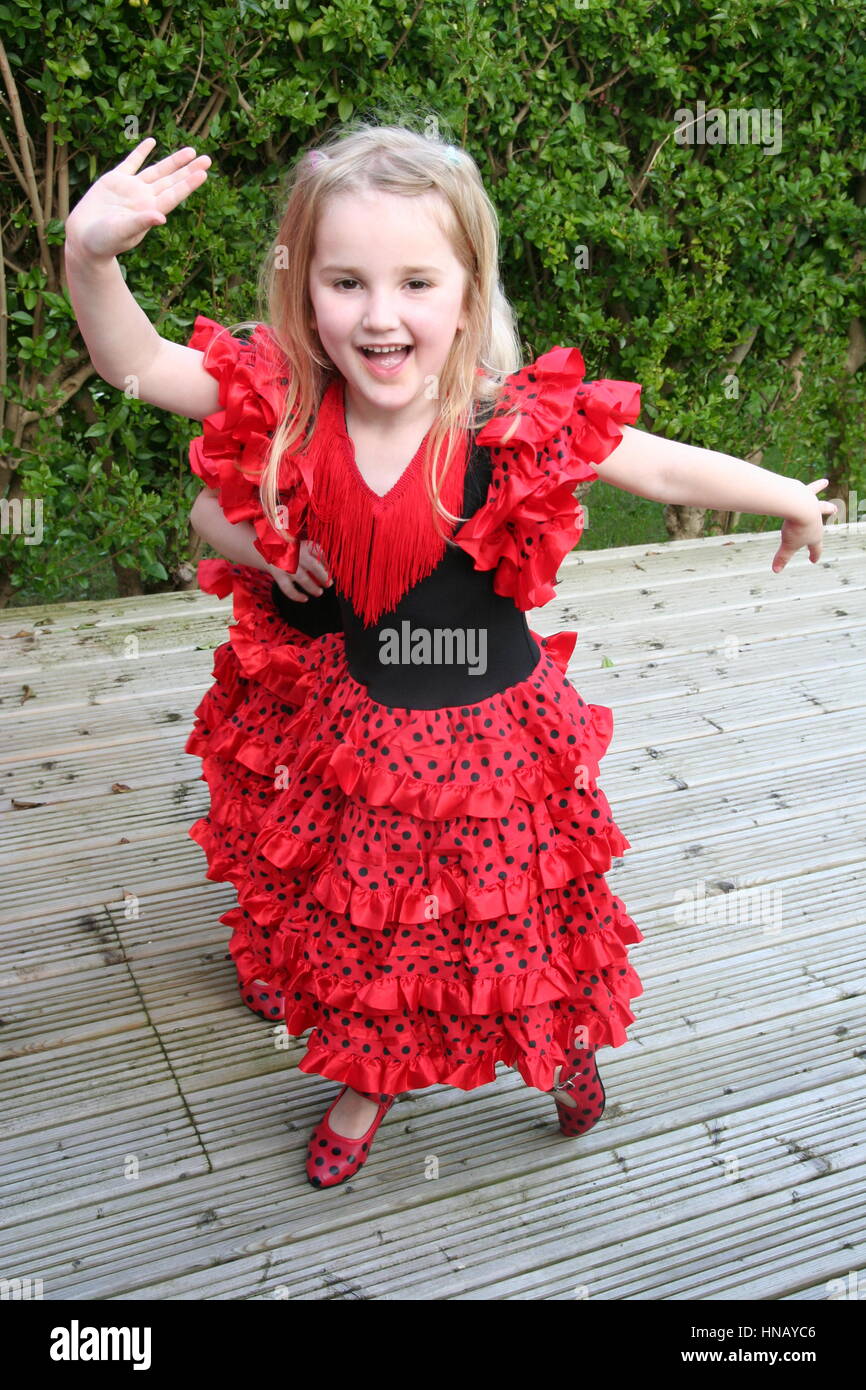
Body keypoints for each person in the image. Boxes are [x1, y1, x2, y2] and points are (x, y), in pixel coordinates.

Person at [64, 121, 836, 1192]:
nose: (380, 314)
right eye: (346, 281)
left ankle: (558, 1046)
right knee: (376, 928)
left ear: (467, 294)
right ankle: (370, 1081)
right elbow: (137, 363)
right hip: (368, 735)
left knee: (513, 913)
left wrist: (788, 496)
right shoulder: (295, 404)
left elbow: (658, 471)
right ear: (307, 291)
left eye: (415, 281)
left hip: (498, 740)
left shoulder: (507, 424)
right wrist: (90, 255)